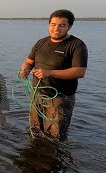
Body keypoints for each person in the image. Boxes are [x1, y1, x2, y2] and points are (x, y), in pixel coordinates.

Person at [20, 9, 88, 141]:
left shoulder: (77, 45)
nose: (56, 28)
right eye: (53, 24)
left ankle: (55, 159)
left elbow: (80, 71)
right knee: (35, 132)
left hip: (60, 99)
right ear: (49, 24)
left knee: (55, 138)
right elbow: (28, 62)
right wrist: (25, 70)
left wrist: (49, 73)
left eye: (62, 25)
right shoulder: (41, 43)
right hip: (37, 95)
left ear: (69, 27)